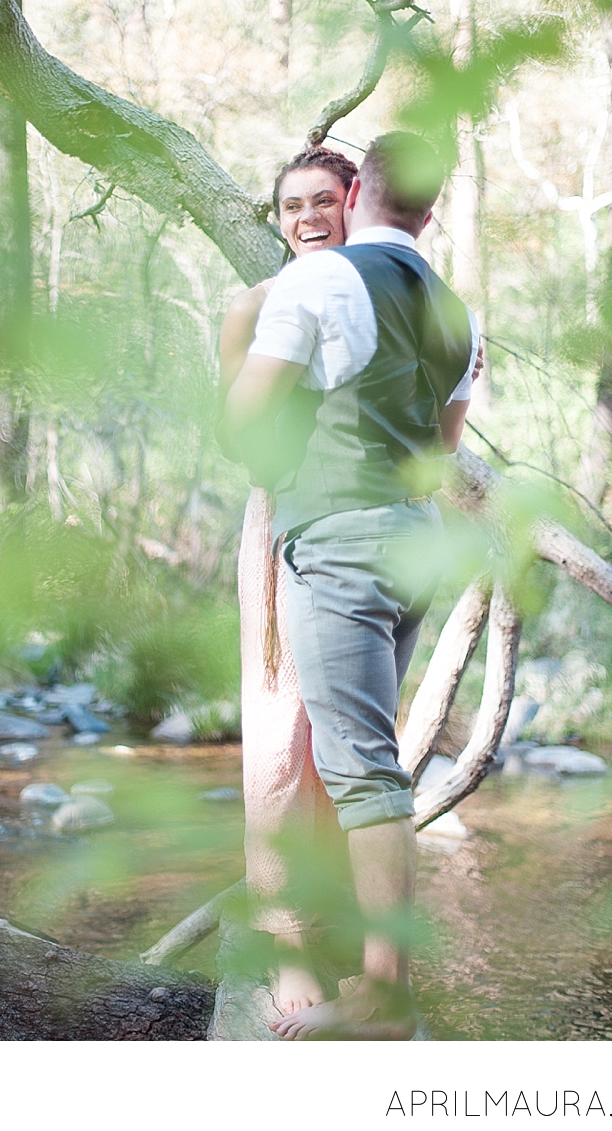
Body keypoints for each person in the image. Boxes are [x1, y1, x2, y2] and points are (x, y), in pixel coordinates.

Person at [224, 131, 480, 1040]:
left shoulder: (319, 283)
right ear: (433, 208)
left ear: (359, 191)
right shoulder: (459, 310)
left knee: (361, 773)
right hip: (415, 545)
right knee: (360, 757)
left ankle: (381, 993)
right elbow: (443, 449)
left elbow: (246, 425)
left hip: (334, 536)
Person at [216, 146, 359, 1015]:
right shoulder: (256, 307)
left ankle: (354, 937)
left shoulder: (394, 300)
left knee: (349, 745)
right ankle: (289, 945)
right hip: (285, 530)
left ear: (354, 203)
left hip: (372, 535)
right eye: (291, 206)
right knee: (282, 738)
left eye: (323, 201)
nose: (307, 217)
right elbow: (234, 437)